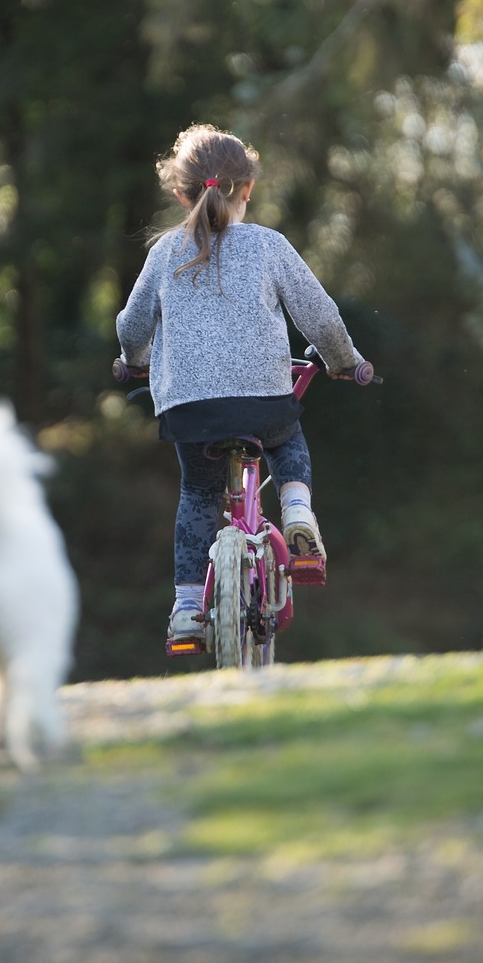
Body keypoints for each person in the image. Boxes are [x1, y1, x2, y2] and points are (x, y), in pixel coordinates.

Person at [115, 124, 366, 650]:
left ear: (182, 193)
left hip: (189, 410)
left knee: (199, 492)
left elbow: (132, 326)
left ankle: (186, 609)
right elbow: (321, 318)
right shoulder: (268, 246)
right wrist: (346, 361)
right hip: (263, 402)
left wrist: (132, 361)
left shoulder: (164, 254)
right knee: (286, 438)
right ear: (247, 188)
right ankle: (297, 511)